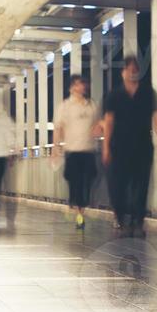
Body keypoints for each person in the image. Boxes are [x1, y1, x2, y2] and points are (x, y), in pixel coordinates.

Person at [101, 56, 157, 239]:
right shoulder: (114, 95)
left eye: (135, 69)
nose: (132, 73)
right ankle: (120, 218)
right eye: (129, 69)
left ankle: (138, 221)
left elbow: (156, 116)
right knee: (118, 186)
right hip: (118, 147)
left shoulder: (148, 93)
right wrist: (106, 147)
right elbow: (109, 122)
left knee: (141, 185)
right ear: (122, 72)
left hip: (143, 146)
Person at [56, 74, 104, 230]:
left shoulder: (92, 105)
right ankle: (79, 213)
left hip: (89, 150)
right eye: (78, 84)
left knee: (89, 180)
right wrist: (56, 147)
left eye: (83, 84)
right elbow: (58, 127)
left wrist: (99, 129)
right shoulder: (64, 106)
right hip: (72, 150)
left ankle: (80, 208)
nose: (81, 87)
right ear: (71, 88)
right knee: (75, 182)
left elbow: (100, 124)